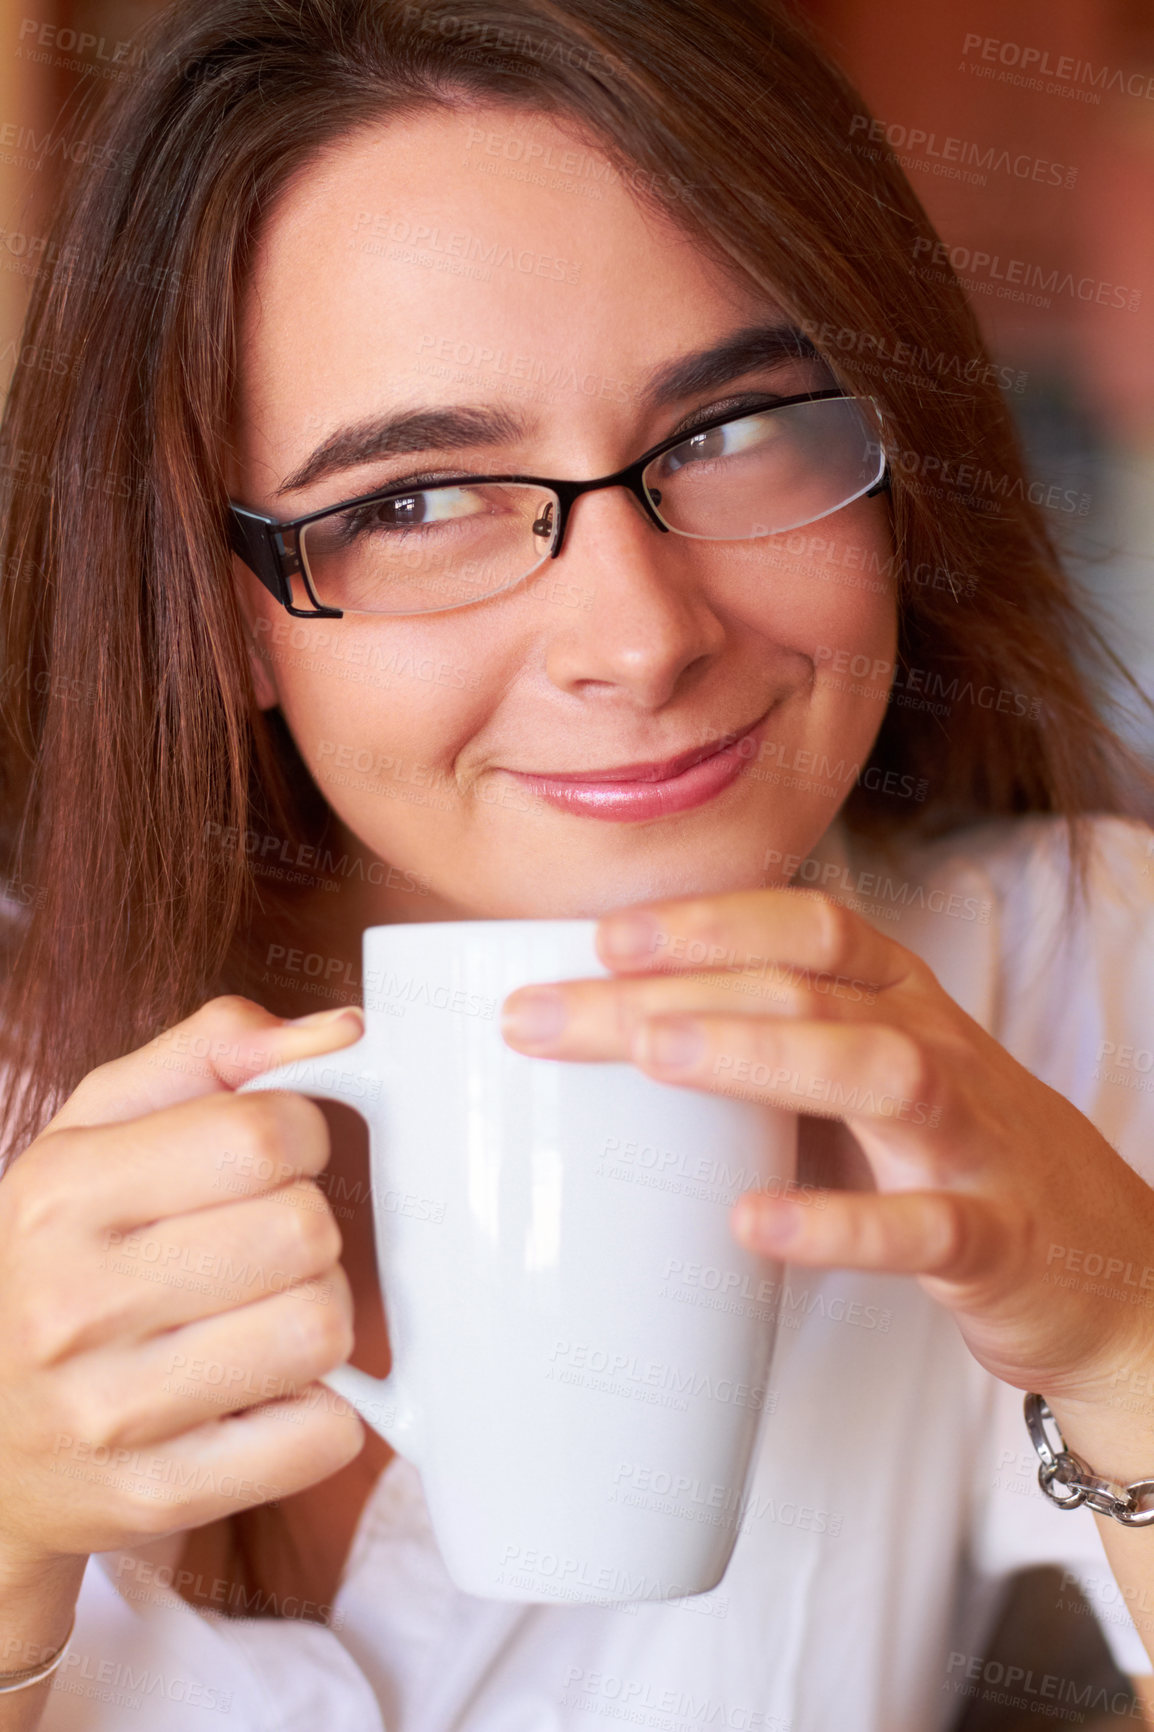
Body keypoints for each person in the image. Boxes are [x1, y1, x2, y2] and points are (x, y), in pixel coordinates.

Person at [0, 0, 1151, 1726]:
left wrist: (1130, 1344)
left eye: (732, 427)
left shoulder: (1058, 973)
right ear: (216, 605)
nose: (636, 637)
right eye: (408, 499)